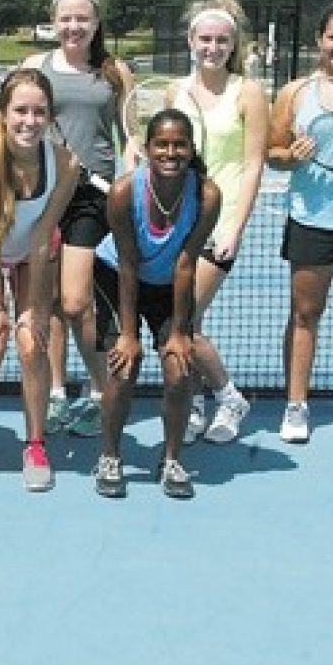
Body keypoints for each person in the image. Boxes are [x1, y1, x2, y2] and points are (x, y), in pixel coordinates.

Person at [0, 69, 78, 493]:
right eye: (20, 110)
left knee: (32, 342)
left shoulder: (65, 164)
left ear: (51, 116)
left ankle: (36, 444)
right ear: (2, 114)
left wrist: (38, 310)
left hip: (32, 252)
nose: (30, 120)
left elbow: (42, 238)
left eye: (40, 112)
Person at [23, 0, 136, 438]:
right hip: (44, 193)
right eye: (65, 18)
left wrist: (124, 185)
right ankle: (55, 394)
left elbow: (130, 138)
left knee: (76, 302)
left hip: (94, 200)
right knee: (46, 302)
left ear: (96, 23)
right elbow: (16, 126)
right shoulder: (34, 67)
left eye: (82, 19)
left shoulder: (114, 72)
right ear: (54, 21)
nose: (73, 26)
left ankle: (97, 390)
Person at [92, 108, 220, 499]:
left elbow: (186, 264)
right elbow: (128, 263)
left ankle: (171, 460)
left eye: (179, 144)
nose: (170, 152)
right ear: (147, 149)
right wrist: (129, 335)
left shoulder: (207, 195)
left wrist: (180, 332)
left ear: (191, 148)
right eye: (161, 144)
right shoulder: (123, 192)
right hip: (118, 277)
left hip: (169, 284)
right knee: (123, 367)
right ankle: (110, 456)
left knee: (180, 370)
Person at [174, 0, 267, 444]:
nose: (212, 47)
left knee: (184, 319)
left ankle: (229, 397)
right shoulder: (174, 92)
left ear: (234, 46)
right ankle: (193, 405)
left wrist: (234, 227)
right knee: (181, 321)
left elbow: (253, 166)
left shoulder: (247, 92)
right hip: (175, 222)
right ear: (191, 41)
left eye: (221, 41)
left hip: (220, 223)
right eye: (205, 39)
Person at [267, 4, 333, 444]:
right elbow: (271, 151)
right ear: (319, 41)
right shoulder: (296, 93)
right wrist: (290, 157)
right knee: (305, 314)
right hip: (313, 221)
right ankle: (296, 406)